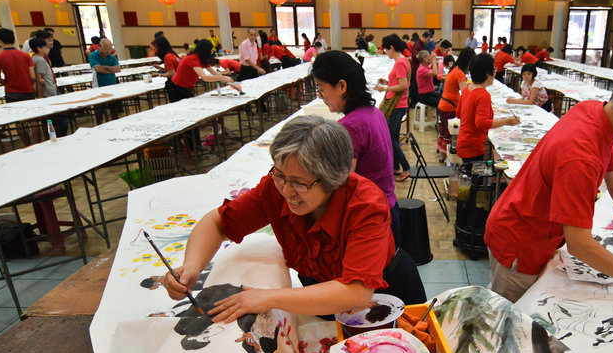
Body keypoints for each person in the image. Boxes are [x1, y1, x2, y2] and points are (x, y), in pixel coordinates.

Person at [162, 116, 426, 320]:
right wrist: (192, 266)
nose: (287, 192)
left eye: (300, 183)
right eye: (280, 175)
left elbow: (356, 291)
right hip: (319, 296)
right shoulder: (274, 188)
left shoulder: (366, 203)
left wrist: (267, 298)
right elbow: (218, 223)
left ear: (333, 179)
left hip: (386, 295)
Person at [484, 64, 613, 303]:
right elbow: (580, 245)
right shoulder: (582, 155)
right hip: (520, 243)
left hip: (521, 221)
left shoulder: (596, 112)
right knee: (508, 317)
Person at [312, 50, 401, 241]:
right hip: (388, 208)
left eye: (321, 88)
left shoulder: (350, 126)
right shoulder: (372, 112)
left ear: (342, 86)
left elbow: (341, 186)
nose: (320, 96)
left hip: (370, 219)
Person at [456, 53, 519, 164]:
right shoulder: (483, 95)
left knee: (468, 176)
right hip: (473, 147)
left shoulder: (467, 89)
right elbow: (481, 123)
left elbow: (458, 113)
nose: (495, 73)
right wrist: (506, 121)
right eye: (493, 70)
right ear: (487, 73)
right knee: (474, 179)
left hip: (463, 142)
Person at [374, 34, 411, 181]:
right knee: (392, 136)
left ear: (392, 48)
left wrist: (385, 88)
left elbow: (403, 85)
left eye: (386, 49)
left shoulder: (400, 62)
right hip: (398, 103)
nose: (385, 52)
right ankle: (395, 166)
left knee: (390, 137)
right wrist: (387, 81)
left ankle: (406, 167)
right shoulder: (401, 61)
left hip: (398, 104)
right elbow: (399, 80)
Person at [168, 38, 241, 103]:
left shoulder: (202, 59)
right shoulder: (193, 58)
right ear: (205, 50)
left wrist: (232, 84)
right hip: (177, 88)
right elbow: (204, 77)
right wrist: (223, 78)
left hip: (187, 88)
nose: (211, 52)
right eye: (210, 50)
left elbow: (215, 73)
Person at [437, 47, 474, 160]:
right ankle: (444, 154)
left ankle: (441, 151)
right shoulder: (460, 73)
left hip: (443, 104)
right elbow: (465, 92)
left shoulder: (454, 69)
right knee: (450, 132)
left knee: (444, 130)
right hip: (450, 106)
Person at [29, 37, 69, 137]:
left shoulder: (35, 58)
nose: (47, 48)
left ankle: (53, 136)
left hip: (48, 91)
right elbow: (38, 78)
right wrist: (40, 96)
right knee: (61, 118)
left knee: (50, 119)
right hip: (48, 93)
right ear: (39, 48)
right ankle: (58, 136)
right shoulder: (40, 60)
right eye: (45, 46)